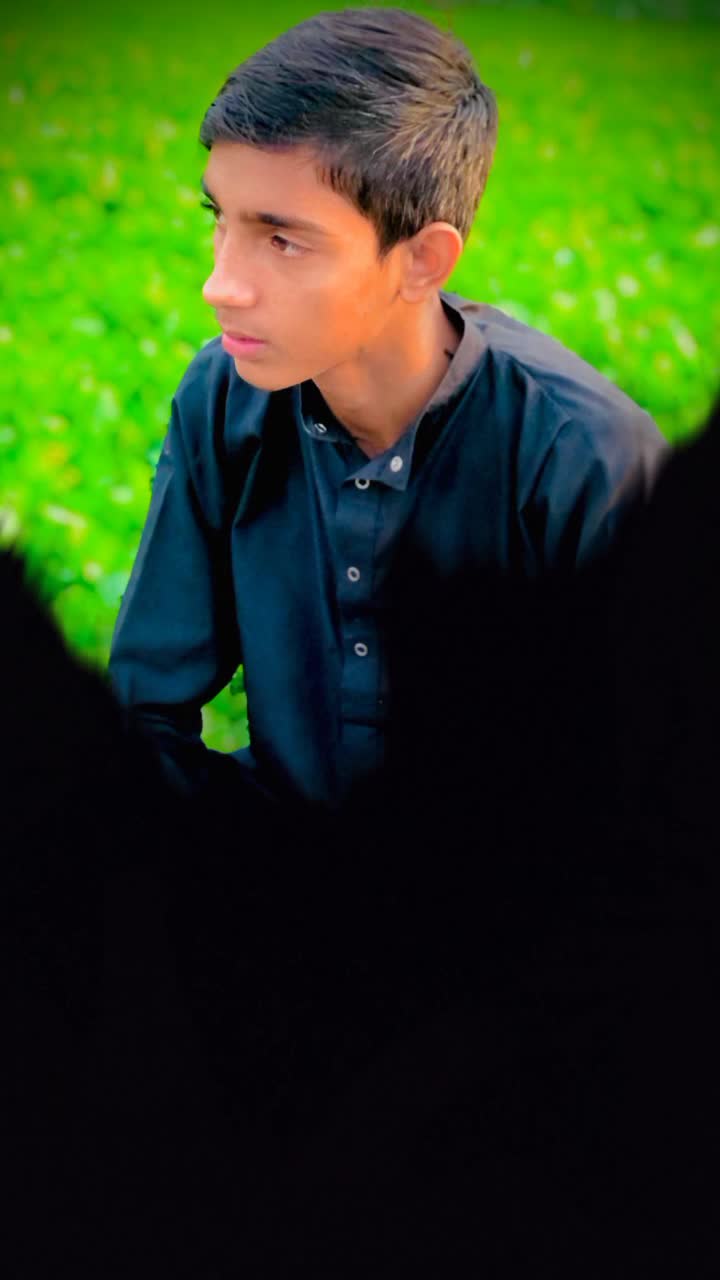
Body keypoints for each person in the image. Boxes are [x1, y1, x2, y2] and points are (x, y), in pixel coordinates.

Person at [108, 7, 667, 866]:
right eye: (220, 218)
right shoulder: (223, 398)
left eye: (282, 240)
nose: (222, 284)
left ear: (422, 260)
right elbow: (144, 718)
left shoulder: (583, 458)